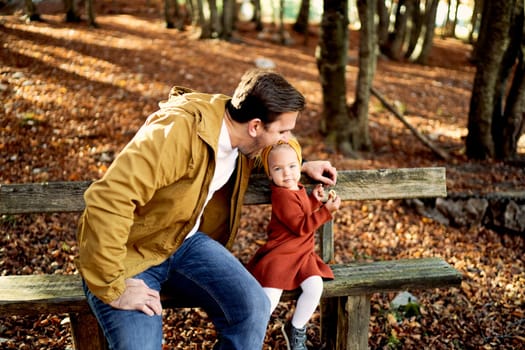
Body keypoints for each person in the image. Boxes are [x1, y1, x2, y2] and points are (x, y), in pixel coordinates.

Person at [75, 68, 337, 350]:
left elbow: (268, 150)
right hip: (130, 253)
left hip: (185, 243)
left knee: (253, 307)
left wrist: (300, 164)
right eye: (283, 131)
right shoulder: (177, 133)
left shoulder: (240, 131)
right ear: (255, 126)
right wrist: (113, 287)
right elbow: (108, 198)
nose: (285, 139)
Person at [246, 138, 341, 350]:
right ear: (270, 174)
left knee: (315, 287)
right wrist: (326, 211)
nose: (287, 173)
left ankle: (295, 327)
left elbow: (303, 211)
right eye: (278, 169)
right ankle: (248, 336)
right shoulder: (281, 196)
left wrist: (314, 200)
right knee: (269, 301)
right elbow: (300, 226)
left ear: (300, 165)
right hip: (282, 255)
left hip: (303, 254)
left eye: (292, 166)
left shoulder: (296, 188)